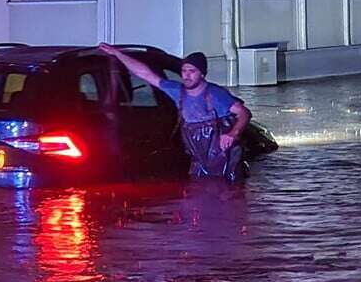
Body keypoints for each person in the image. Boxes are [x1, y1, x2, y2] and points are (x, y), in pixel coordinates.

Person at [98, 44, 252, 182]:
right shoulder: (177, 91)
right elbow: (145, 74)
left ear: (202, 74)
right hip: (199, 160)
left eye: (192, 71)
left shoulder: (215, 94)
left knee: (227, 193)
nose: (187, 75)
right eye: (184, 71)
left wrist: (233, 134)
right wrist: (118, 54)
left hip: (224, 159)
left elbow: (244, 113)